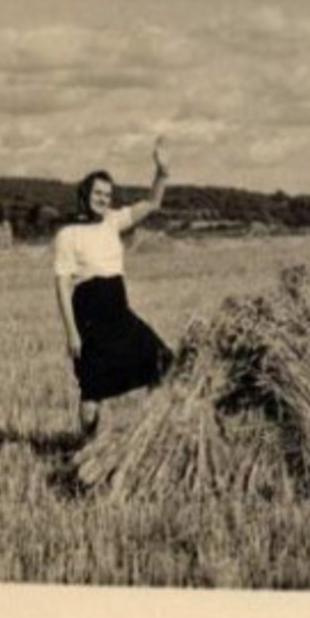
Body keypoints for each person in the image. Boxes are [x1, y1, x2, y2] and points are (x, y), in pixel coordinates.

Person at [54, 137, 174, 438]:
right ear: (85, 194)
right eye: (97, 193)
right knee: (92, 392)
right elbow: (62, 285)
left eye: (107, 194)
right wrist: (72, 333)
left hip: (119, 311)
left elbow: (153, 203)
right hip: (89, 316)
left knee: (163, 362)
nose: (103, 199)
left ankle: (150, 436)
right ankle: (88, 444)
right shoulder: (68, 234)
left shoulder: (112, 221)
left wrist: (162, 171)